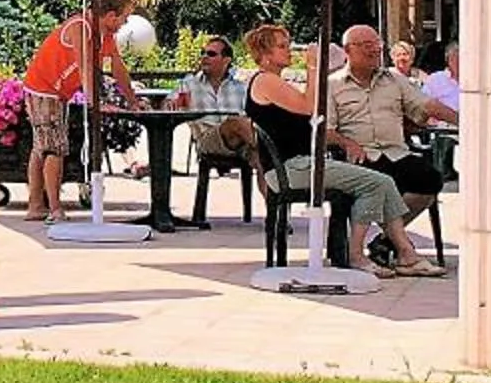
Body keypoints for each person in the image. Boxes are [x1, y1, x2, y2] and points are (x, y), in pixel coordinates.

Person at [243, 22, 438, 275]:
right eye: (282, 47)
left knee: (383, 181)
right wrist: (314, 66)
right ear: (266, 53)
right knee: (376, 183)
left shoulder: (274, 82)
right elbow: (309, 106)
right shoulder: (265, 81)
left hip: (304, 163)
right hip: (292, 168)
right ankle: (357, 256)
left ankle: (405, 254)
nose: (289, 51)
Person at [20, 0, 139, 223]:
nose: (124, 24)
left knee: (42, 147)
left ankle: (36, 206)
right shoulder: (81, 27)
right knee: (54, 148)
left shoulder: (105, 36)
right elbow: (85, 69)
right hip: (44, 89)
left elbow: (118, 68)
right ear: (111, 15)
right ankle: (54, 210)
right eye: (124, 18)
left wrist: (133, 100)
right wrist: (98, 104)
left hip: (55, 93)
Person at [330, 27, 446, 265]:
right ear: (348, 50)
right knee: (383, 182)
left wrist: (462, 120)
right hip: (360, 156)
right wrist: (347, 143)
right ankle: (402, 249)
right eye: (366, 45)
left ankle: (385, 240)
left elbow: (425, 105)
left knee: (430, 179)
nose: (374, 50)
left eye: (377, 44)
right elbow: (325, 130)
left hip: (396, 151)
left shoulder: (394, 79)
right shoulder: (333, 85)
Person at [171, 35, 255, 166]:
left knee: (260, 155)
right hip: (207, 139)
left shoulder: (241, 87)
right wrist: (173, 103)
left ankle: (274, 182)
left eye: (211, 54)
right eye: (202, 53)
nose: (204, 57)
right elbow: (169, 104)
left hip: (240, 141)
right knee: (236, 123)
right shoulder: (190, 84)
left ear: (226, 60)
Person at [419, 41, 463, 127]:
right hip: (444, 130)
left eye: (460, 59)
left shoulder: (473, 81)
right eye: (454, 59)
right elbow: (422, 105)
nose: (457, 63)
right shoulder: (435, 79)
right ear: (447, 60)